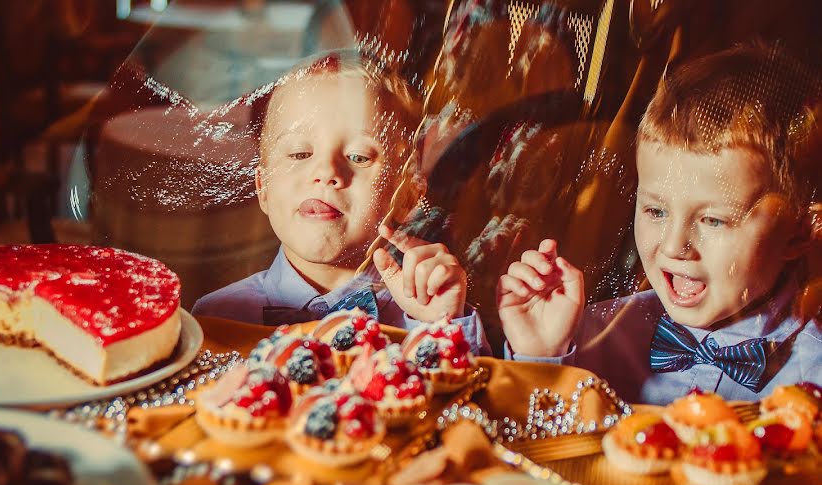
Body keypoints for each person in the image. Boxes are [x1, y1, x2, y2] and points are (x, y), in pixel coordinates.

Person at [497, 44, 821, 404]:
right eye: (656, 212)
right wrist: (542, 357)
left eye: (713, 220)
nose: (672, 246)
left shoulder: (815, 376)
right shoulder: (594, 333)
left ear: (798, 232)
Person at [193, 52, 490, 354]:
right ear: (263, 187)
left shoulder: (432, 315)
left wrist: (442, 326)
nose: (326, 173)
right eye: (298, 154)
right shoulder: (215, 317)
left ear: (407, 197)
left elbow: (479, 397)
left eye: (359, 156)